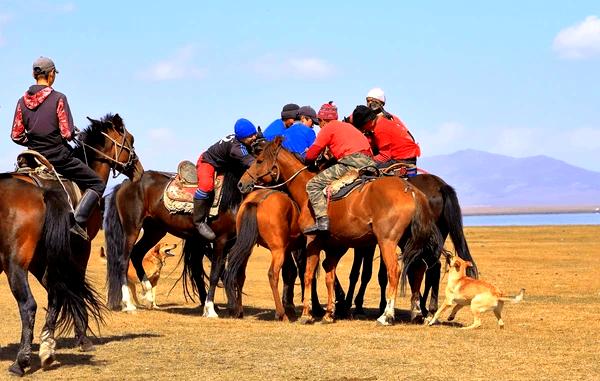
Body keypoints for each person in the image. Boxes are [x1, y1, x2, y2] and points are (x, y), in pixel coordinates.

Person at [11, 56, 105, 240]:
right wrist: (70, 132)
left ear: (34, 74)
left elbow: (16, 135)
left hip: (32, 157)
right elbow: (66, 133)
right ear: (51, 74)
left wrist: (33, 139)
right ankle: (77, 222)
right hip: (57, 157)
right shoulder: (59, 98)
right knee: (98, 183)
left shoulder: (22, 101)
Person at [302, 103, 375, 234]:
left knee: (312, 185)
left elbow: (312, 154)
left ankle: (322, 221)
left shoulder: (328, 128)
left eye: (319, 122)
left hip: (352, 162)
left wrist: (307, 160)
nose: (319, 125)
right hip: (370, 162)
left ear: (323, 120)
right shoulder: (347, 126)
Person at [194, 118, 258, 240]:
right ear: (242, 138)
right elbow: (253, 164)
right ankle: (199, 222)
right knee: (206, 186)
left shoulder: (244, 139)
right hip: (208, 162)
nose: (254, 137)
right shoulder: (237, 149)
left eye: (254, 133)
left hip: (224, 164)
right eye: (251, 136)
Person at [352, 105, 421, 175]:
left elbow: (385, 156)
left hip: (401, 159)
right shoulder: (383, 121)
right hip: (409, 157)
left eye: (363, 128)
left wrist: (367, 160)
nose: (364, 130)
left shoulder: (380, 129)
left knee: (366, 170)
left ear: (368, 122)